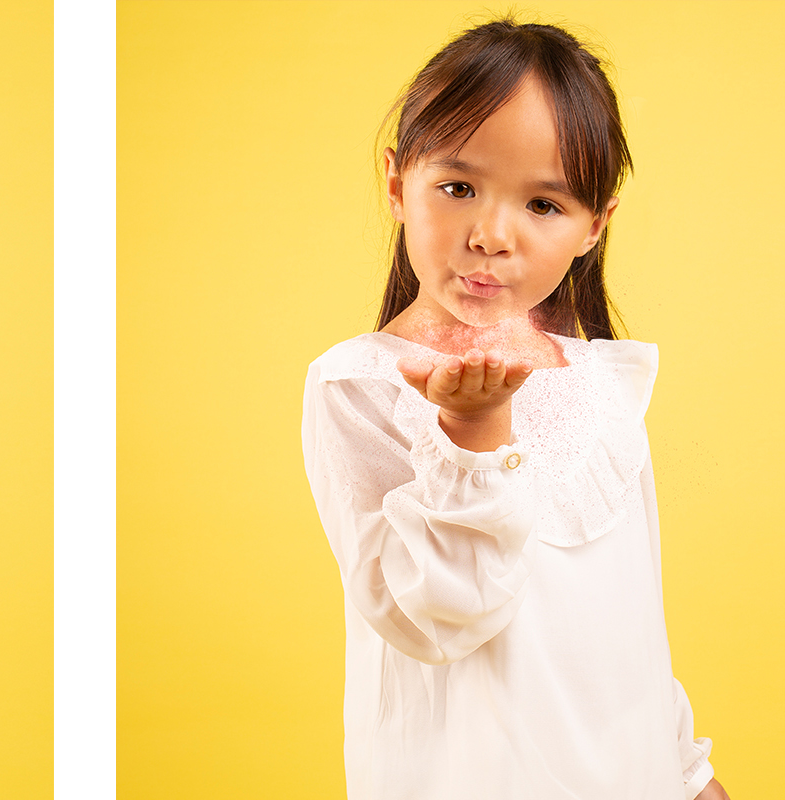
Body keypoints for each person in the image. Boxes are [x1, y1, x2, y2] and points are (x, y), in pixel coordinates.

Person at [300, 20, 728, 800]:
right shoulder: (362, 386)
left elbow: (628, 615)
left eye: (542, 203)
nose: (491, 235)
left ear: (593, 226)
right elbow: (433, 621)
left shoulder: (598, 377)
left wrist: (685, 770)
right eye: (457, 188)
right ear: (397, 184)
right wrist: (472, 439)